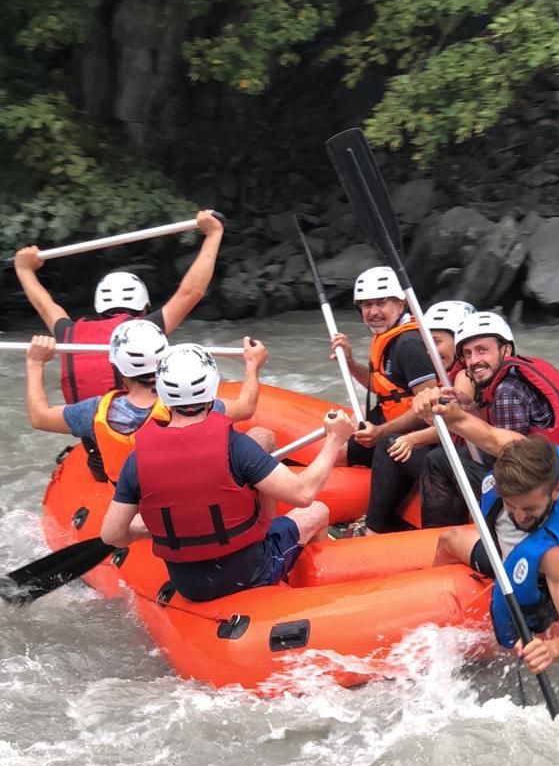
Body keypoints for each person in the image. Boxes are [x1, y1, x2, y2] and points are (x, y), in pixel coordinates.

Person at [101, 344, 356, 601]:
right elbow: (303, 494)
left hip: (188, 585)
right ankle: (312, 597)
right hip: (248, 572)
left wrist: (146, 531)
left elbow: (112, 535)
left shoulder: (137, 460)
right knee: (317, 512)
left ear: (163, 394)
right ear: (212, 387)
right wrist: (335, 439)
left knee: (261, 443)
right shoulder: (236, 447)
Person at [14, 208, 225, 405]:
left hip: (94, 437)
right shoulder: (146, 330)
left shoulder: (69, 333)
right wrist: (213, 234)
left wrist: (24, 269)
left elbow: (45, 306)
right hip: (143, 428)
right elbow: (192, 291)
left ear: (99, 307)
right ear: (143, 306)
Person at [414, 311, 559, 528]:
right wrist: (471, 408)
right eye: (468, 353)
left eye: (482, 351)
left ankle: (440, 533)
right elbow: (508, 436)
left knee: (439, 459)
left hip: (536, 493)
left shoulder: (508, 390)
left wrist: (454, 419)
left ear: (506, 349)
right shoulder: (521, 372)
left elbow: (507, 456)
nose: (474, 361)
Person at [433, 434, 559, 675]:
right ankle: (434, 604)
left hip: (536, 583)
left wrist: (552, 649)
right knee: (449, 540)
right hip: (508, 557)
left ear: (556, 491)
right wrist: (450, 414)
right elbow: (486, 433)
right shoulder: (528, 459)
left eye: (529, 508)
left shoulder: (556, 554)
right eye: (511, 506)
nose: (519, 517)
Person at [25, 323, 269, 484]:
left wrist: (35, 363)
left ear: (116, 367)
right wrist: (252, 365)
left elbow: (39, 417)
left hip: (133, 509)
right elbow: (246, 406)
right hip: (189, 500)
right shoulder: (190, 404)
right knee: (262, 436)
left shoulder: (93, 411)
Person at [357, 300, 475, 535]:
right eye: (426, 343)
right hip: (457, 456)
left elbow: (456, 427)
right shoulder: (455, 370)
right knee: (392, 442)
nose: (430, 350)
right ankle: (378, 525)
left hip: (467, 463)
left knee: (390, 445)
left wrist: (413, 439)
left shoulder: (464, 375)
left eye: (438, 342)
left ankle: (373, 529)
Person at [329, 266, 439, 471]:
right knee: (357, 415)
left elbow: (430, 407)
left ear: (400, 304)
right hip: (392, 421)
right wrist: (351, 362)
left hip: (415, 438)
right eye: (367, 305)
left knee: (336, 456)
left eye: (382, 303)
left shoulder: (409, 345)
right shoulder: (387, 336)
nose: (374, 312)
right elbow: (383, 387)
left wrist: (380, 431)